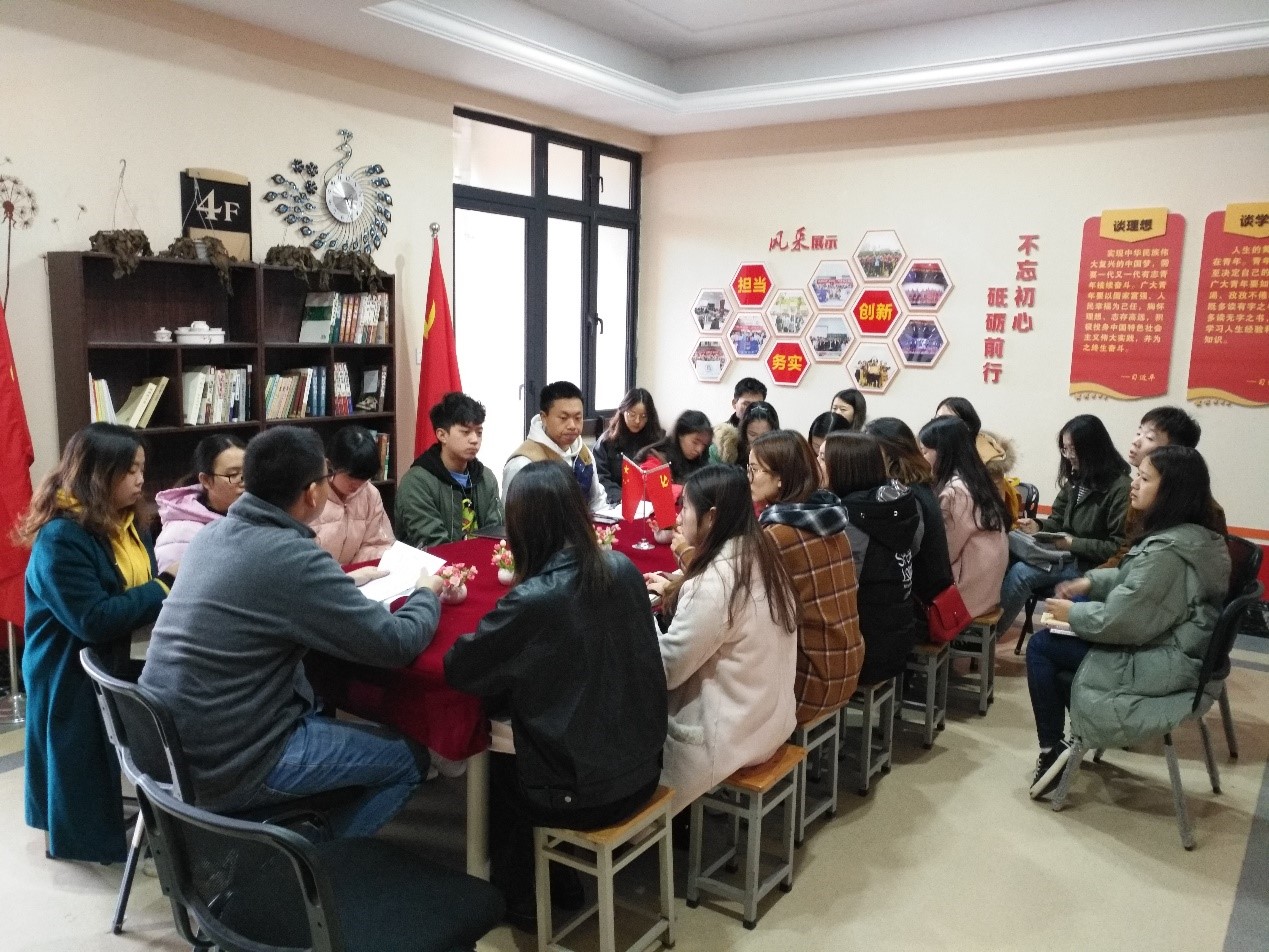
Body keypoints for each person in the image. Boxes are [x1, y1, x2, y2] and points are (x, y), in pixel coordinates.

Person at [140, 426, 442, 836]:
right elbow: (395, 643)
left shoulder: (211, 535)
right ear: (313, 493)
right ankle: (305, 860)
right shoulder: (292, 556)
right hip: (236, 762)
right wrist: (426, 593)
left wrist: (338, 583)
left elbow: (268, 591)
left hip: (169, 747)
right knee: (410, 760)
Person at [445, 461, 667, 928]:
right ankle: (558, 876)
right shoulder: (622, 567)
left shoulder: (535, 598)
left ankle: (518, 897)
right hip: (644, 767)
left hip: (578, 794)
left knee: (501, 759)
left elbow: (462, 669)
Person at [1025, 446, 1229, 799]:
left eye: (1144, 479)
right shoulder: (1193, 536)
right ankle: (1071, 741)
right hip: (1178, 652)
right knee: (1057, 648)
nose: (1134, 484)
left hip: (1165, 662)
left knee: (1042, 647)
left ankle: (1053, 749)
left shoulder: (1167, 553)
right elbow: (1134, 581)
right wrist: (1091, 582)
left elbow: (1123, 622)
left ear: (1171, 492)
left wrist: (1071, 614)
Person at [19, 423, 173, 863]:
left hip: (115, 653)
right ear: (98, 474)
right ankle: (84, 843)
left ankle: (123, 824)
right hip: (65, 663)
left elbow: (133, 593)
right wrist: (164, 587)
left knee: (104, 751)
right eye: (130, 471)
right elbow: (93, 619)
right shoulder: (62, 536)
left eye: (142, 468)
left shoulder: (129, 522)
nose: (140, 480)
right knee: (77, 755)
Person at [645, 465, 799, 815]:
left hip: (730, 737)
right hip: (769, 719)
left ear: (712, 517)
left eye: (685, 508)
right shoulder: (762, 554)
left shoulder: (717, 582)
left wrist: (644, 618)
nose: (678, 517)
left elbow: (666, 671)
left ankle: (648, 826)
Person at [749, 431, 864, 723]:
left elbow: (737, 595)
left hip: (810, 681)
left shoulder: (778, 535)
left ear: (780, 478)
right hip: (848, 665)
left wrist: (687, 555)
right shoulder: (831, 518)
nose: (748, 478)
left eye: (754, 469)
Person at [996, 414, 1131, 637]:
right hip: (1062, 556)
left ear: (1093, 448)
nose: (1068, 456)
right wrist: (1037, 526)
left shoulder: (1120, 488)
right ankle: (979, 630)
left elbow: (1117, 548)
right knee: (1005, 554)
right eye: (1065, 449)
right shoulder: (1077, 480)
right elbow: (1058, 520)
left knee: (1022, 573)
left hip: (1090, 566)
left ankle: (990, 635)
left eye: (1073, 449)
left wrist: (1072, 544)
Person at [820, 432, 920, 684]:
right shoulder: (893, 502)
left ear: (844, 468)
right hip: (897, 636)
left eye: (822, 458)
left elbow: (839, 590)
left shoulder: (850, 520)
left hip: (867, 648)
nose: (814, 464)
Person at [1100, 405, 1226, 568]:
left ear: (1173, 451)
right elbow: (1129, 549)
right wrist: (1094, 577)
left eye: (1149, 438)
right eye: (1138, 433)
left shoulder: (1204, 510)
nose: (1136, 442)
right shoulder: (1140, 492)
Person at [865, 418, 955, 637]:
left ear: (888, 453)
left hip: (923, 610)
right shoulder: (919, 484)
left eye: (870, 450)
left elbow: (907, 550)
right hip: (931, 596)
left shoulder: (906, 494)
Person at [917, 417, 1010, 618]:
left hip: (967, 593)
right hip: (985, 585)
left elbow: (945, 553)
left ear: (943, 452)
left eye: (924, 452)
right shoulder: (975, 478)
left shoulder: (956, 492)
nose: (920, 458)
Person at [396, 391, 503, 547]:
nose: (475, 440)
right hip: (433, 562)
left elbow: (496, 532)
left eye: (479, 432)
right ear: (442, 435)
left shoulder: (485, 477)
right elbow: (433, 542)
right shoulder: (416, 483)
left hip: (482, 558)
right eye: (465, 432)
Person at [503, 381, 606, 512]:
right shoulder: (523, 463)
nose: (572, 425)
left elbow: (597, 502)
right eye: (563, 418)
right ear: (544, 418)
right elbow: (512, 516)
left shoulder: (584, 454)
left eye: (578, 418)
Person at [154, 433, 246, 573]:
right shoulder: (181, 535)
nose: (244, 482)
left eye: (248, 472)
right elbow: (173, 584)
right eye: (233, 475)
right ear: (206, 480)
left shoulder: (253, 517)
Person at [312, 424, 394, 565]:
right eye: (351, 477)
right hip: (320, 575)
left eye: (363, 479)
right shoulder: (310, 495)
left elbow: (378, 544)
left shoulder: (370, 495)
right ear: (330, 465)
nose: (356, 485)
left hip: (360, 575)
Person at [935, 395, 1021, 525]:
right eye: (936, 420)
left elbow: (995, 514)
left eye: (947, 421)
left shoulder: (990, 462)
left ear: (967, 426)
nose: (938, 427)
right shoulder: (933, 452)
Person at [593, 387, 664, 503]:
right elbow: (600, 477)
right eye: (632, 414)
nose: (637, 421)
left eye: (643, 416)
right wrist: (623, 498)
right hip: (615, 502)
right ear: (623, 411)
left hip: (647, 503)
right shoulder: (606, 441)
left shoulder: (656, 441)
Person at [636, 410, 713, 483]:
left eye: (704, 445)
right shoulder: (657, 460)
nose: (699, 450)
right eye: (695, 442)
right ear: (680, 434)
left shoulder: (702, 463)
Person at [710, 377, 767, 465]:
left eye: (757, 405)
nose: (751, 409)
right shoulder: (718, 436)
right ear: (734, 403)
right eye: (746, 404)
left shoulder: (770, 434)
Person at [734, 400, 780, 470]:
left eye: (765, 435)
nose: (759, 440)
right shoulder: (733, 455)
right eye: (752, 434)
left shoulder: (782, 457)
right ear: (744, 433)